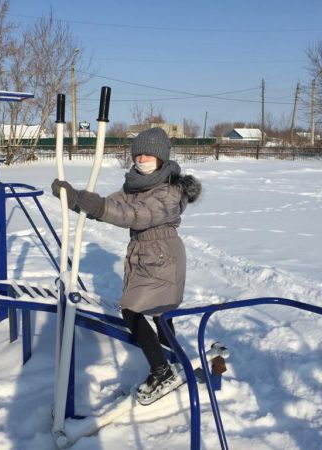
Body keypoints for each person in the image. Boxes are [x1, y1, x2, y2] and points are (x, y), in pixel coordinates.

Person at [51, 127, 201, 404]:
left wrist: (100, 208)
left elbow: (135, 215)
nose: (141, 159)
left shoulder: (170, 190)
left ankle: (162, 369)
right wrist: (74, 199)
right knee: (160, 312)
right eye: (138, 154)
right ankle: (170, 358)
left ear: (161, 158)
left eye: (148, 155)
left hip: (163, 254)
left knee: (134, 311)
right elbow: (110, 206)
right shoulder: (134, 184)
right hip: (143, 253)